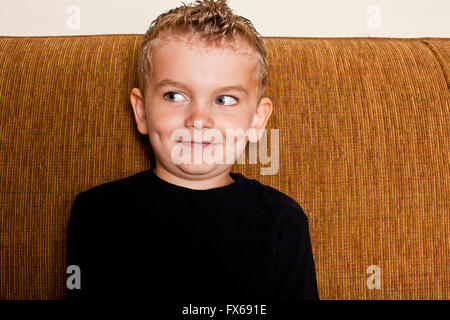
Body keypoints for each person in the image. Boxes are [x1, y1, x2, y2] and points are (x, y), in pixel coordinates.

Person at [66, 0, 319, 306]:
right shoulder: (97, 213)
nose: (199, 120)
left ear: (256, 120)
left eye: (224, 99)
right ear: (142, 111)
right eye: (175, 95)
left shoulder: (282, 220)